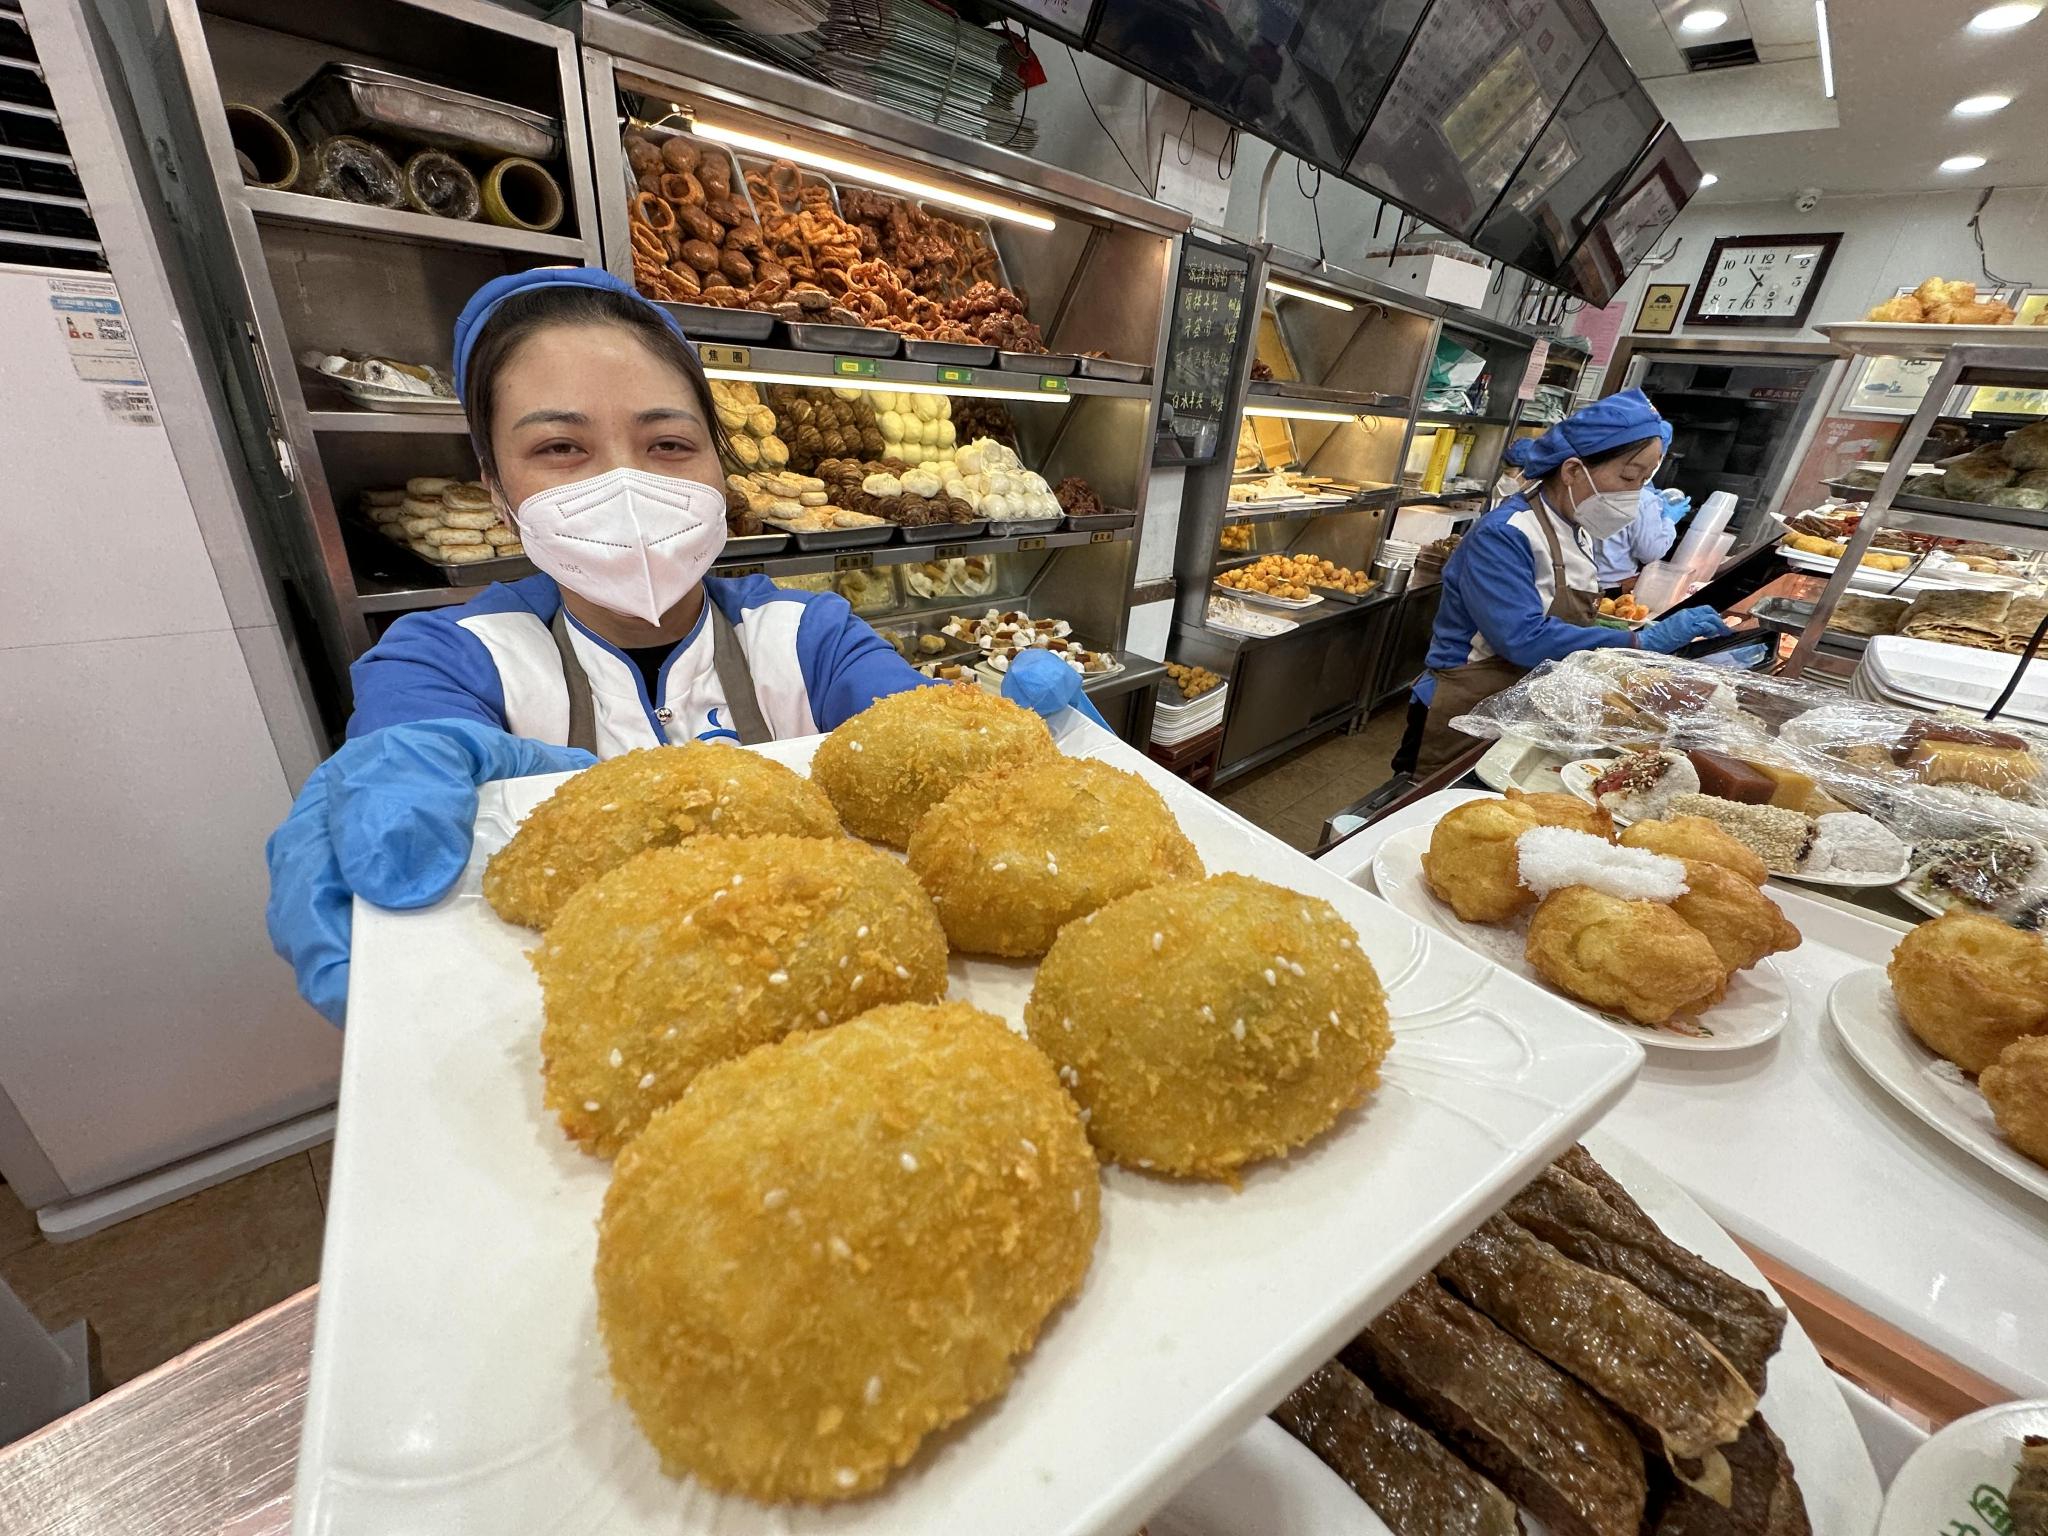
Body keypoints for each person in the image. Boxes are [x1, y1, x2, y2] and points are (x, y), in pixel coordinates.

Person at [266, 267, 1095, 1024]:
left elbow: (922, 750)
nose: (624, 483)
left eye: (669, 444)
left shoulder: (808, 634)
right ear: (494, 485)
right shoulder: (446, 660)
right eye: (560, 448)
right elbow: (408, 787)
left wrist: (1001, 749)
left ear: (719, 470)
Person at [1392, 389, 1728, 778]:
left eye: (1644, 481)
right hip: (1465, 707)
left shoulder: (1574, 527)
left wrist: (1622, 632)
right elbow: (1522, 636)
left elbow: (1561, 613)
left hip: (1516, 702)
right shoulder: (1506, 533)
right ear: (1571, 471)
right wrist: (1638, 643)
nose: (1634, 494)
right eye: (1629, 476)